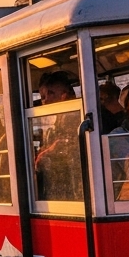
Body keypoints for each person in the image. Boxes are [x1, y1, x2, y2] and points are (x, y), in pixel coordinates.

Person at [32, 71, 82, 201]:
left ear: (64, 96)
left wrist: (44, 154)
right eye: (43, 97)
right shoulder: (58, 120)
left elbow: (66, 147)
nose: (46, 100)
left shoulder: (72, 117)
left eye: (51, 94)